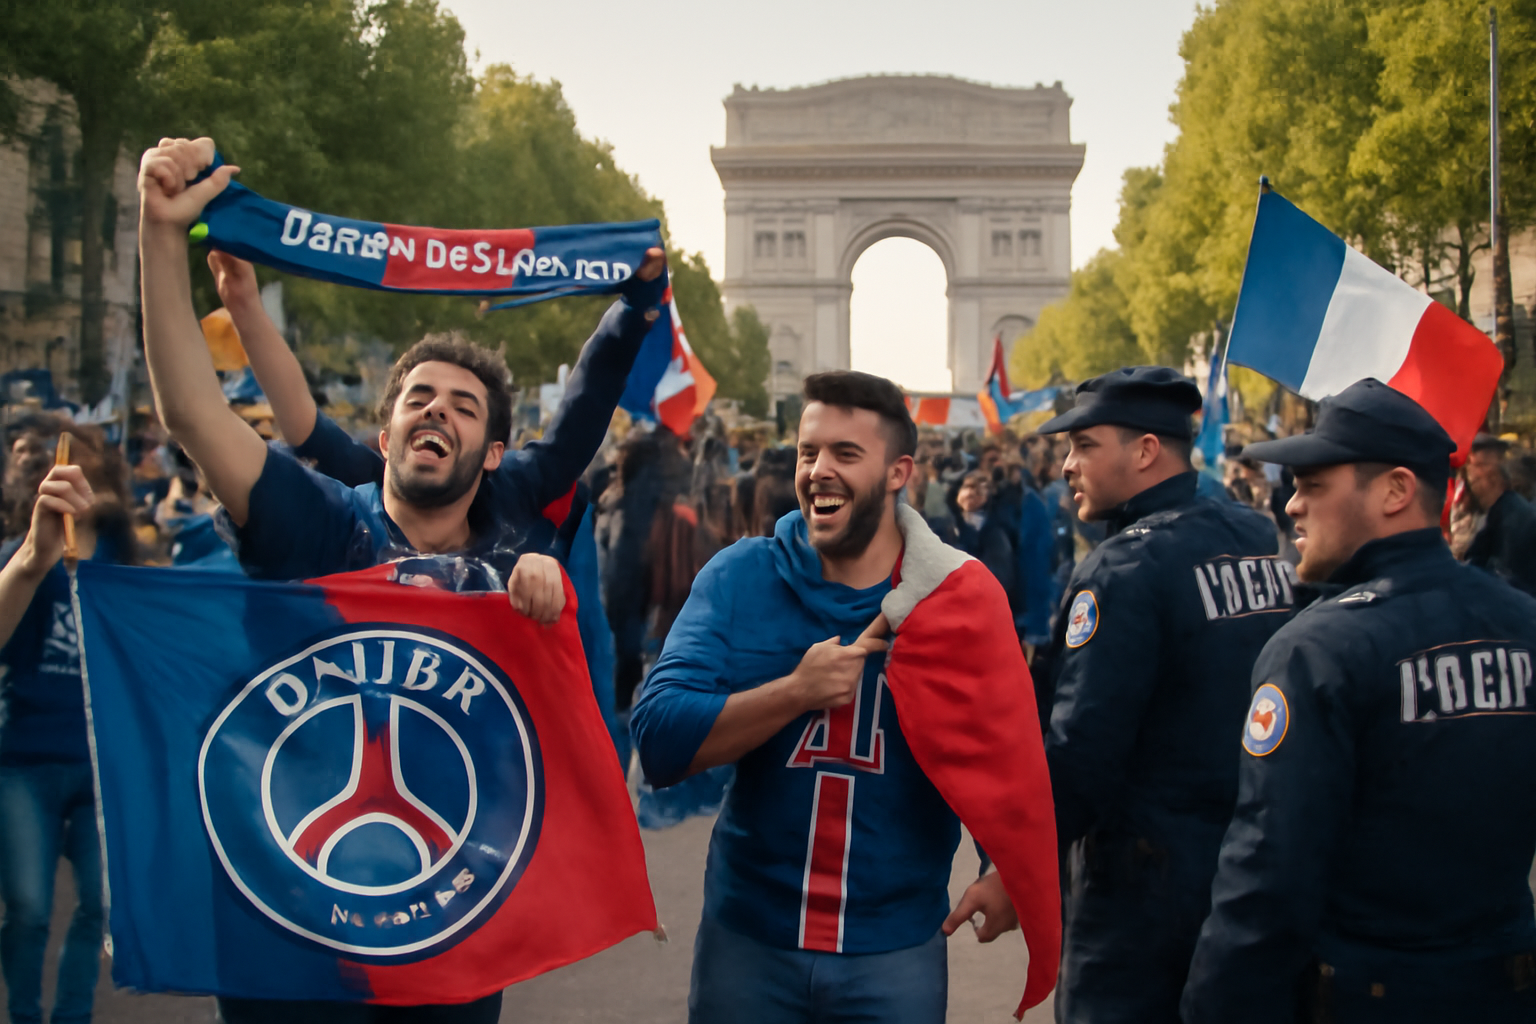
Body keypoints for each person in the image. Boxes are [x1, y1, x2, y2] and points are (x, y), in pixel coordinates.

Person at [137, 136, 666, 1023]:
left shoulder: (515, 529)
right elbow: (193, 410)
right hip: (297, 934)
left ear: (493, 454)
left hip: (448, 930)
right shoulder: (316, 523)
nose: (437, 411)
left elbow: (579, 415)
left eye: (463, 406)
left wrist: (631, 313)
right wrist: (159, 237)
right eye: (419, 398)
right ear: (382, 438)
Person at [631, 371, 1023, 1024]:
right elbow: (659, 738)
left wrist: (1004, 864)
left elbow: (999, 750)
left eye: (846, 454)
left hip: (894, 943)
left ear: (899, 472)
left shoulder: (956, 599)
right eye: (810, 452)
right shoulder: (739, 576)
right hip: (751, 938)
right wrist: (794, 693)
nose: (818, 470)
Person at [1182, 379, 1536, 1023]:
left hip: (1367, 994)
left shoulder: (1319, 648)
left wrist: (1214, 1005)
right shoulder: (1523, 623)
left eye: (1314, 485)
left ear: (1395, 491)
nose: (1292, 506)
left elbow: (1268, 875)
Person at [1033, 367, 1298, 1023]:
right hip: (1257, 865)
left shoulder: (1123, 567)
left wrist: (1021, 866)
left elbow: (1081, 749)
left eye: (1085, 446)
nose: (1068, 465)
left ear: (1146, 450)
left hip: (1143, 889)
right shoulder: (1262, 538)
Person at [0, 429, 135, 1024]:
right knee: (28, 907)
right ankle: (26, 1014)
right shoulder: (20, 551)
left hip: (100, 764)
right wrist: (32, 559)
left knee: (99, 905)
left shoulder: (127, 556)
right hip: (25, 758)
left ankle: (72, 1016)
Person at [1461, 432, 1536, 594]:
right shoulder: (1493, 514)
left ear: (1489, 473)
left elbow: (1509, 582)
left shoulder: (1515, 519)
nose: (1469, 476)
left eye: (1472, 466)